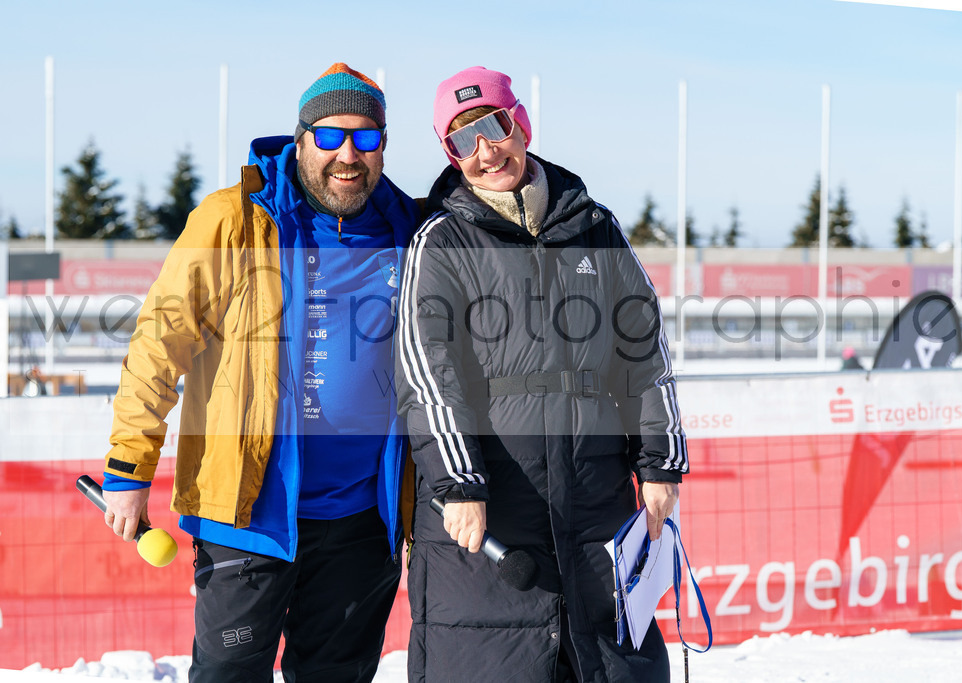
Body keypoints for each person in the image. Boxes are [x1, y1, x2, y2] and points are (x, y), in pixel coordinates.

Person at [100, 62, 419, 683]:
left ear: (384, 145)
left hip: (362, 522)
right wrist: (127, 465)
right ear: (300, 140)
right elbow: (158, 345)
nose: (347, 154)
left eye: (366, 137)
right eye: (329, 137)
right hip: (247, 515)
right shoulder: (234, 218)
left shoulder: (408, 228)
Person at [396, 66, 688, 682]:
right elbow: (427, 371)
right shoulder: (442, 242)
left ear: (519, 123)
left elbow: (643, 347)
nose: (485, 150)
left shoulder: (594, 227)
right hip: (488, 509)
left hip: (594, 501)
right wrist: (458, 480)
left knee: (612, 666)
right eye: (461, 139)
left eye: (493, 126)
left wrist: (660, 462)